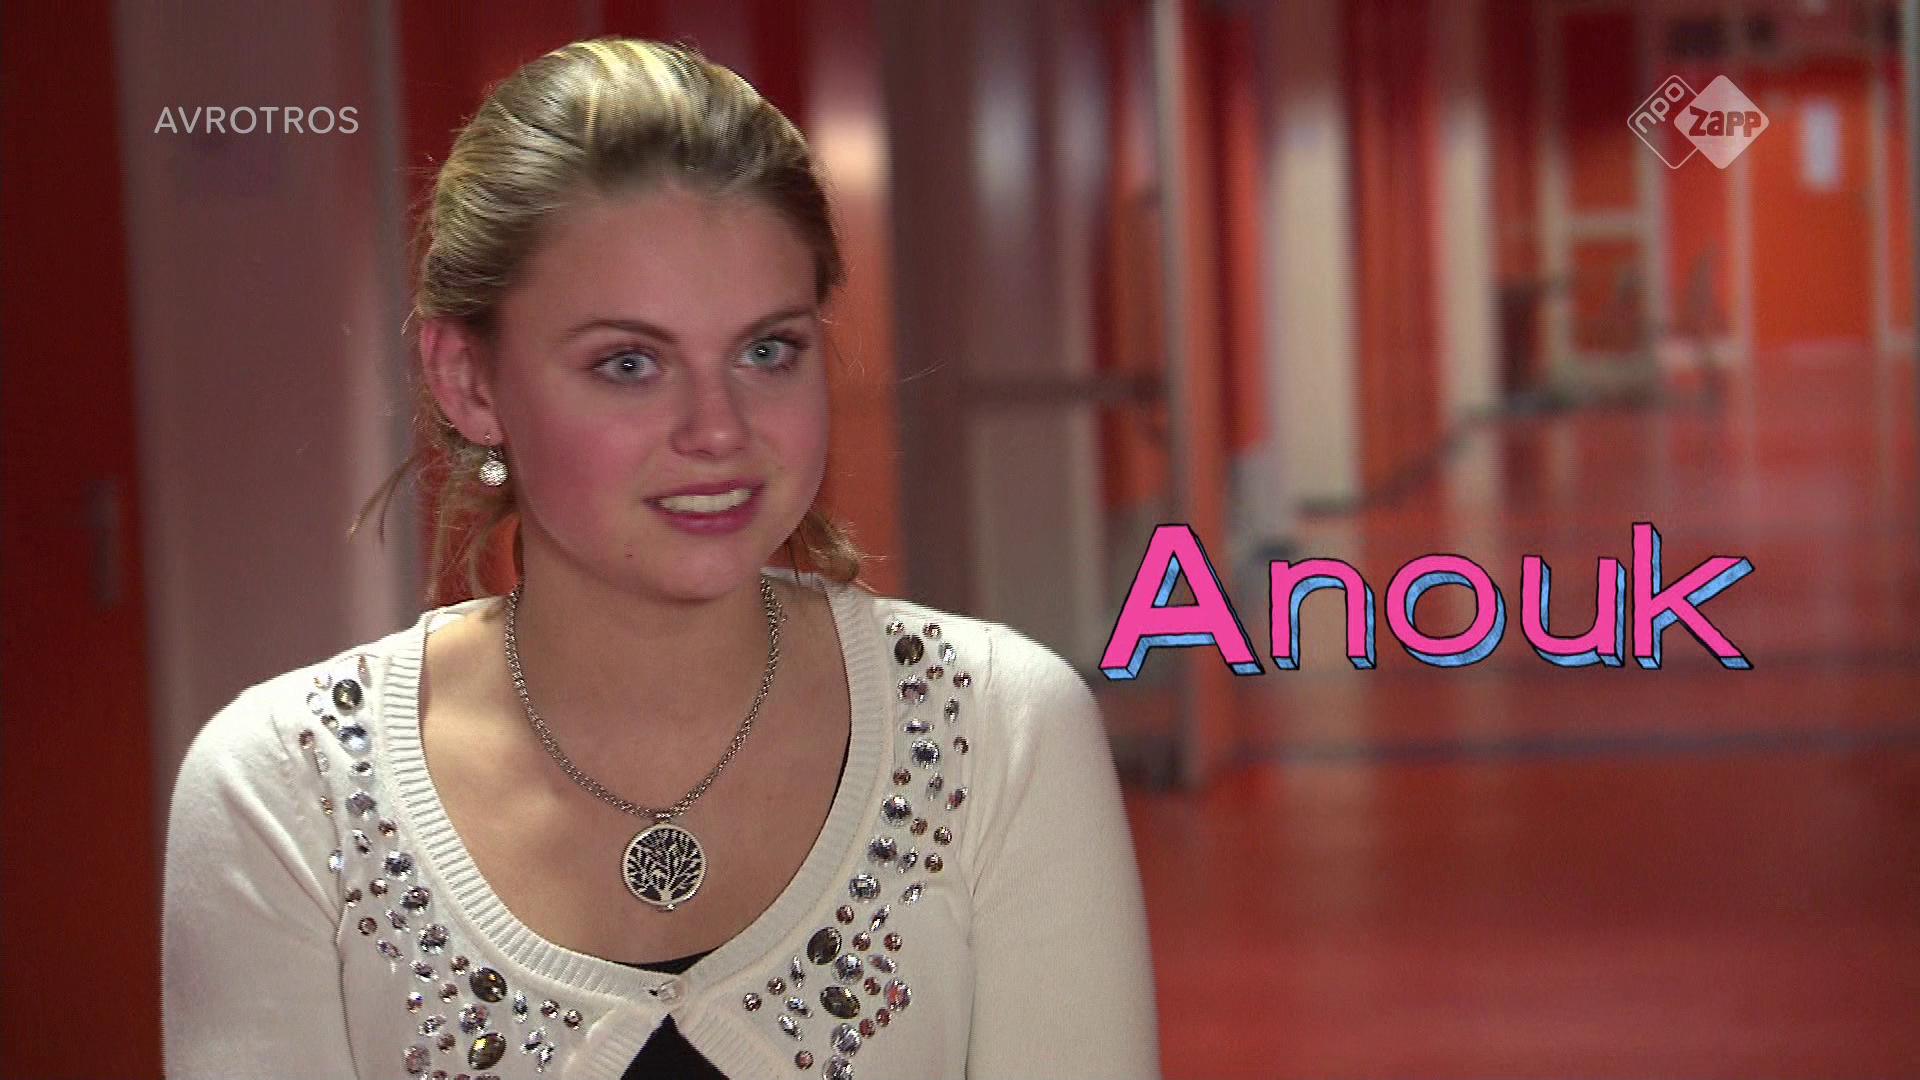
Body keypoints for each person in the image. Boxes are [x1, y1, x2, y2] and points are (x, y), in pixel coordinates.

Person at [161, 37, 1160, 1080]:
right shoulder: (291, 789)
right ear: (469, 382)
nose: (719, 430)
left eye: (766, 350)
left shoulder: (993, 729)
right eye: (629, 363)